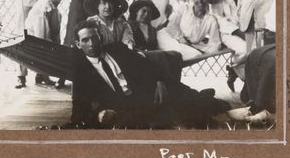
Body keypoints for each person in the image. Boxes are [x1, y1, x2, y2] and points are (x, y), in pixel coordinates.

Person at [71, 20, 230, 129]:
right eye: (85, 40)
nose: (91, 44)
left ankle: (216, 106)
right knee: (168, 112)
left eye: (94, 38)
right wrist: (99, 115)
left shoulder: (117, 49)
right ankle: (208, 105)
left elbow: (146, 64)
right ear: (78, 44)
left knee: (175, 91)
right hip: (125, 105)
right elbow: (78, 109)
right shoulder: (81, 72)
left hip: (146, 91)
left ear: (100, 37)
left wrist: (159, 81)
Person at [16, 0, 75, 89]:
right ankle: (35, 74)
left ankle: (42, 75)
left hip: (41, 48)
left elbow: (55, 38)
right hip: (30, 48)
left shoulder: (57, 12)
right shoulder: (44, 5)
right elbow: (40, 38)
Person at [157, 0, 222, 60]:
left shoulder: (210, 20)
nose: (200, 1)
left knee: (195, 55)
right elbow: (171, 26)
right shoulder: (185, 8)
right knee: (164, 39)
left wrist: (208, 54)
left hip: (188, 47)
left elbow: (215, 43)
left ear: (208, 0)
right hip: (169, 36)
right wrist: (182, 39)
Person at [212, 0, 247, 91]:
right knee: (244, 50)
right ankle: (244, 79)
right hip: (227, 32)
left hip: (244, 29)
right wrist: (237, 31)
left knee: (258, 49)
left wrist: (245, 29)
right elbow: (217, 17)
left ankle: (233, 70)